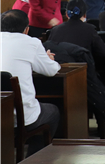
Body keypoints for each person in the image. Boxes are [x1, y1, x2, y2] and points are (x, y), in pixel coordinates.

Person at [0, 10, 61, 156]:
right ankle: (33, 159)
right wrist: (47, 59)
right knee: (53, 112)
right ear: (26, 29)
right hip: (19, 117)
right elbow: (51, 70)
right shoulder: (31, 43)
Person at [47, 0, 105, 64]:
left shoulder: (55, 30)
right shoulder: (90, 29)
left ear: (67, 14)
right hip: (84, 69)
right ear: (85, 15)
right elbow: (103, 52)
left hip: (60, 68)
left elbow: (48, 51)